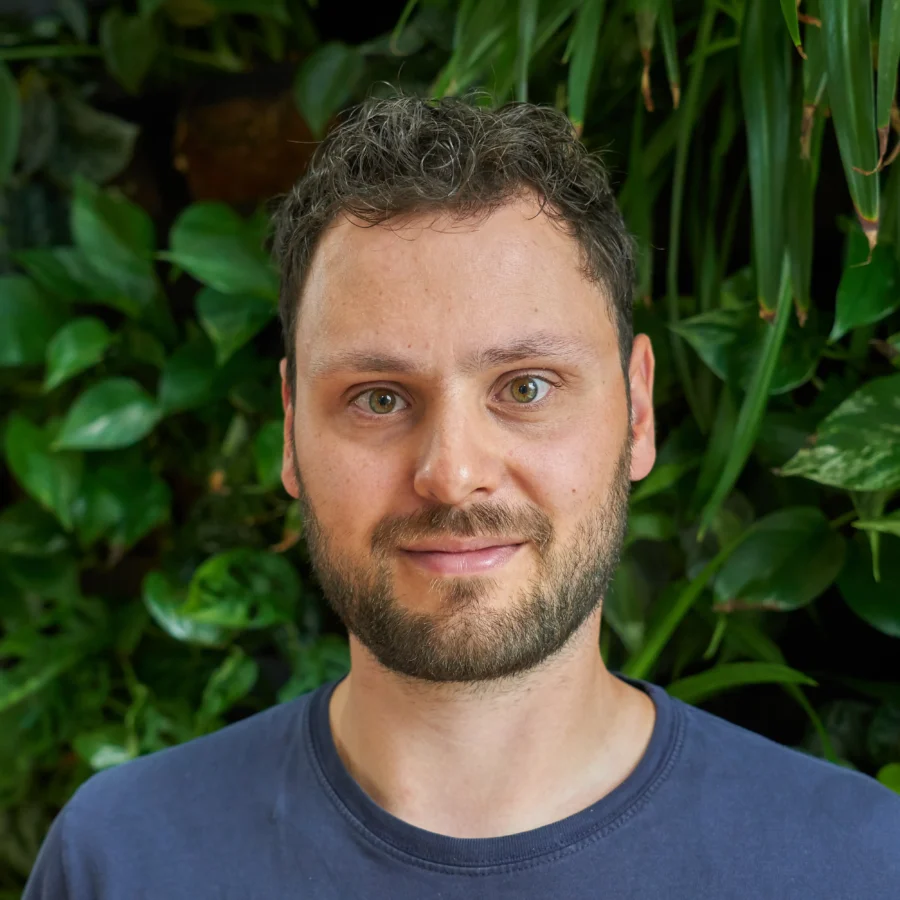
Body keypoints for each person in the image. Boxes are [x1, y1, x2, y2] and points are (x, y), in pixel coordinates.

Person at [24, 96, 900, 900]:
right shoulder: (124, 860)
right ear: (291, 430)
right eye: (378, 398)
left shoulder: (856, 865)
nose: (451, 474)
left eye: (526, 387)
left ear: (637, 412)